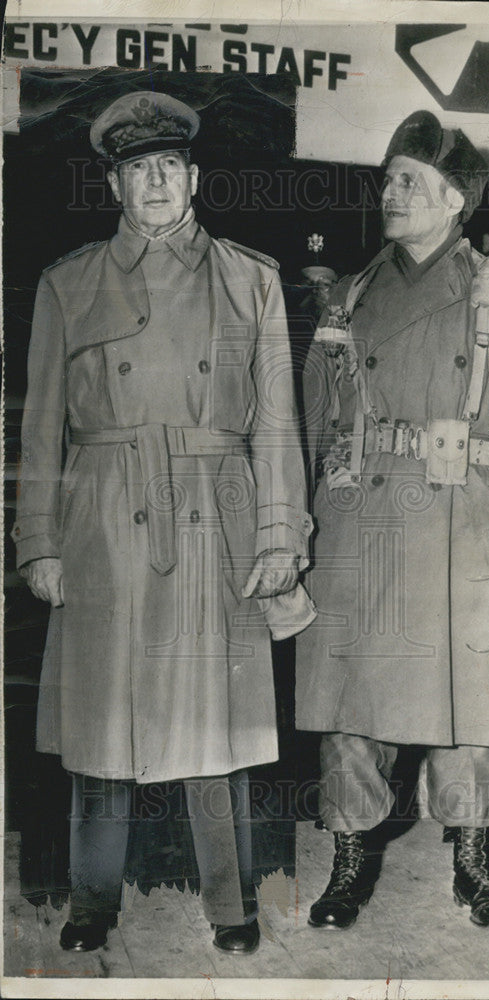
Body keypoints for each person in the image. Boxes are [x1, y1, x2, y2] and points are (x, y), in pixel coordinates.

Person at [12, 90, 312, 954]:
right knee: (100, 725)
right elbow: (40, 431)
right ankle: (91, 900)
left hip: (213, 516)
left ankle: (230, 904)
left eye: (170, 166)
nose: (155, 181)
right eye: (138, 168)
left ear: (194, 178)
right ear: (115, 184)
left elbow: (278, 424)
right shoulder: (67, 283)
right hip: (102, 522)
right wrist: (37, 540)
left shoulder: (250, 280)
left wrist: (280, 535)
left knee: (212, 728)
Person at [295, 110, 489, 931]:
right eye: (388, 180)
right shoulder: (350, 293)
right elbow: (310, 420)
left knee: (468, 704)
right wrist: (295, 526)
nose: (390, 193)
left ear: (454, 201)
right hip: (356, 520)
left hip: (456, 520)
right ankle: (347, 864)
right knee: (348, 705)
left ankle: (474, 866)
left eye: (409, 181)